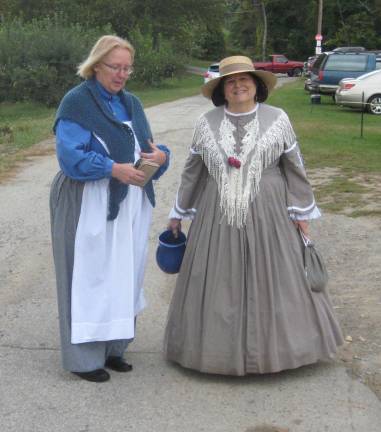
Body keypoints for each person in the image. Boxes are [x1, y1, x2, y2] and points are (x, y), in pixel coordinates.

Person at [163, 55, 343, 376]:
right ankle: (215, 353)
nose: (238, 85)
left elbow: (294, 168)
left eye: (244, 79)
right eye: (230, 81)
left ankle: (283, 351)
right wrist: (179, 213)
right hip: (217, 215)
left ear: (257, 86)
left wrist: (301, 211)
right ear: (222, 90)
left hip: (270, 213)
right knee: (218, 279)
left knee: (277, 278)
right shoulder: (207, 123)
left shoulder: (278, 119)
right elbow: (194, 172)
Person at [50, 35, 170, 382]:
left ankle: (114, 347)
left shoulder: (130, 103)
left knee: (123, 274)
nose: (121, 74)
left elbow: (145, 145)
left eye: (127, 68)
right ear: (96, 65)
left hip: (128, 200)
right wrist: (111, 168)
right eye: (115, 67)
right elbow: (70, 155)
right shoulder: (77, 103)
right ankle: (85, 359)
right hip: (89, 198)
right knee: (90, 276)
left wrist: (161, 156)